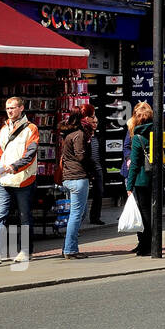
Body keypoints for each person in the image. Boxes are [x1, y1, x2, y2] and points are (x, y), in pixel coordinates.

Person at [0, 96, 39, 264]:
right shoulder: (3, 129)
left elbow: (30, 155)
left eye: (13, 108)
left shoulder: (31, 129)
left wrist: (14, 167)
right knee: (0, 214)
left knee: (24, 216)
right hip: (3, 180)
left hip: (24, 179)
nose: (9, 111)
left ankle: (25, 251)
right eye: (7, 108)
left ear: (21, 108)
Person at [58, 106, 94, 259]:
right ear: (84, 118)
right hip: (78, 177)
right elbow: (81, 156)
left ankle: (68, 246)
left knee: (80, 213)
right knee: (76, 214)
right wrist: (92, 168)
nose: (93, 119)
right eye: (91, 116)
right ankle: (70, 249)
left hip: (69, 177)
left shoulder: (68, 134)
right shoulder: (79, 134)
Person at [123, 102, 155, 256]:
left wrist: (129, 185)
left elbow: (135, 164)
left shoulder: (137, 137)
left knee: (144, 212)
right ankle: (152, 243)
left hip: (142, 179)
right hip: (155, 177)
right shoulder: (158, 133)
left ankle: (145, 245)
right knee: (151, 210)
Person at [85, 108, 106, 225]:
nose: (95, 125)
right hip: (87, 168)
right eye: (93, 122)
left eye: (96, 123)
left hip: (98, 168)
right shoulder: (84, 136)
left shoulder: (98, 136)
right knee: (83, 194)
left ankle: (95, 216)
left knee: (99, 192)